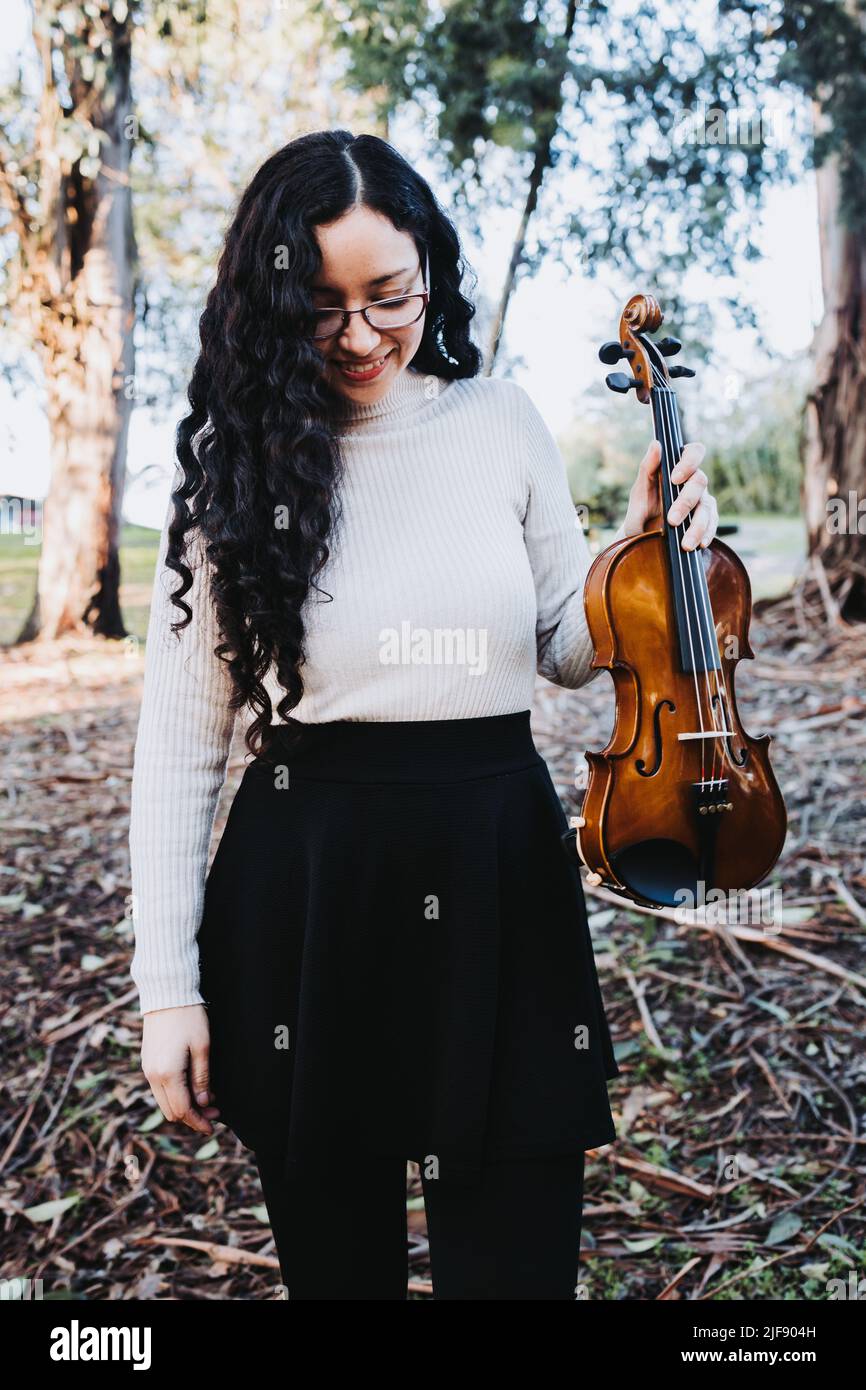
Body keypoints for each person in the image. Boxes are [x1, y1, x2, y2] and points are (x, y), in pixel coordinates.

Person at [130, 129, 717, 1300]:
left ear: (429, 273)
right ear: (272, 301)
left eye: (387, 294)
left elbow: (560, 643)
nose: (359, 334)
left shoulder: (497, 422)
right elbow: (178, 751)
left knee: (515, 1269)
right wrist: (167, 990)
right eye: (322, 305)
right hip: (307, 887)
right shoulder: (228, 463)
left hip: (496, 868)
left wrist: (641, 554)